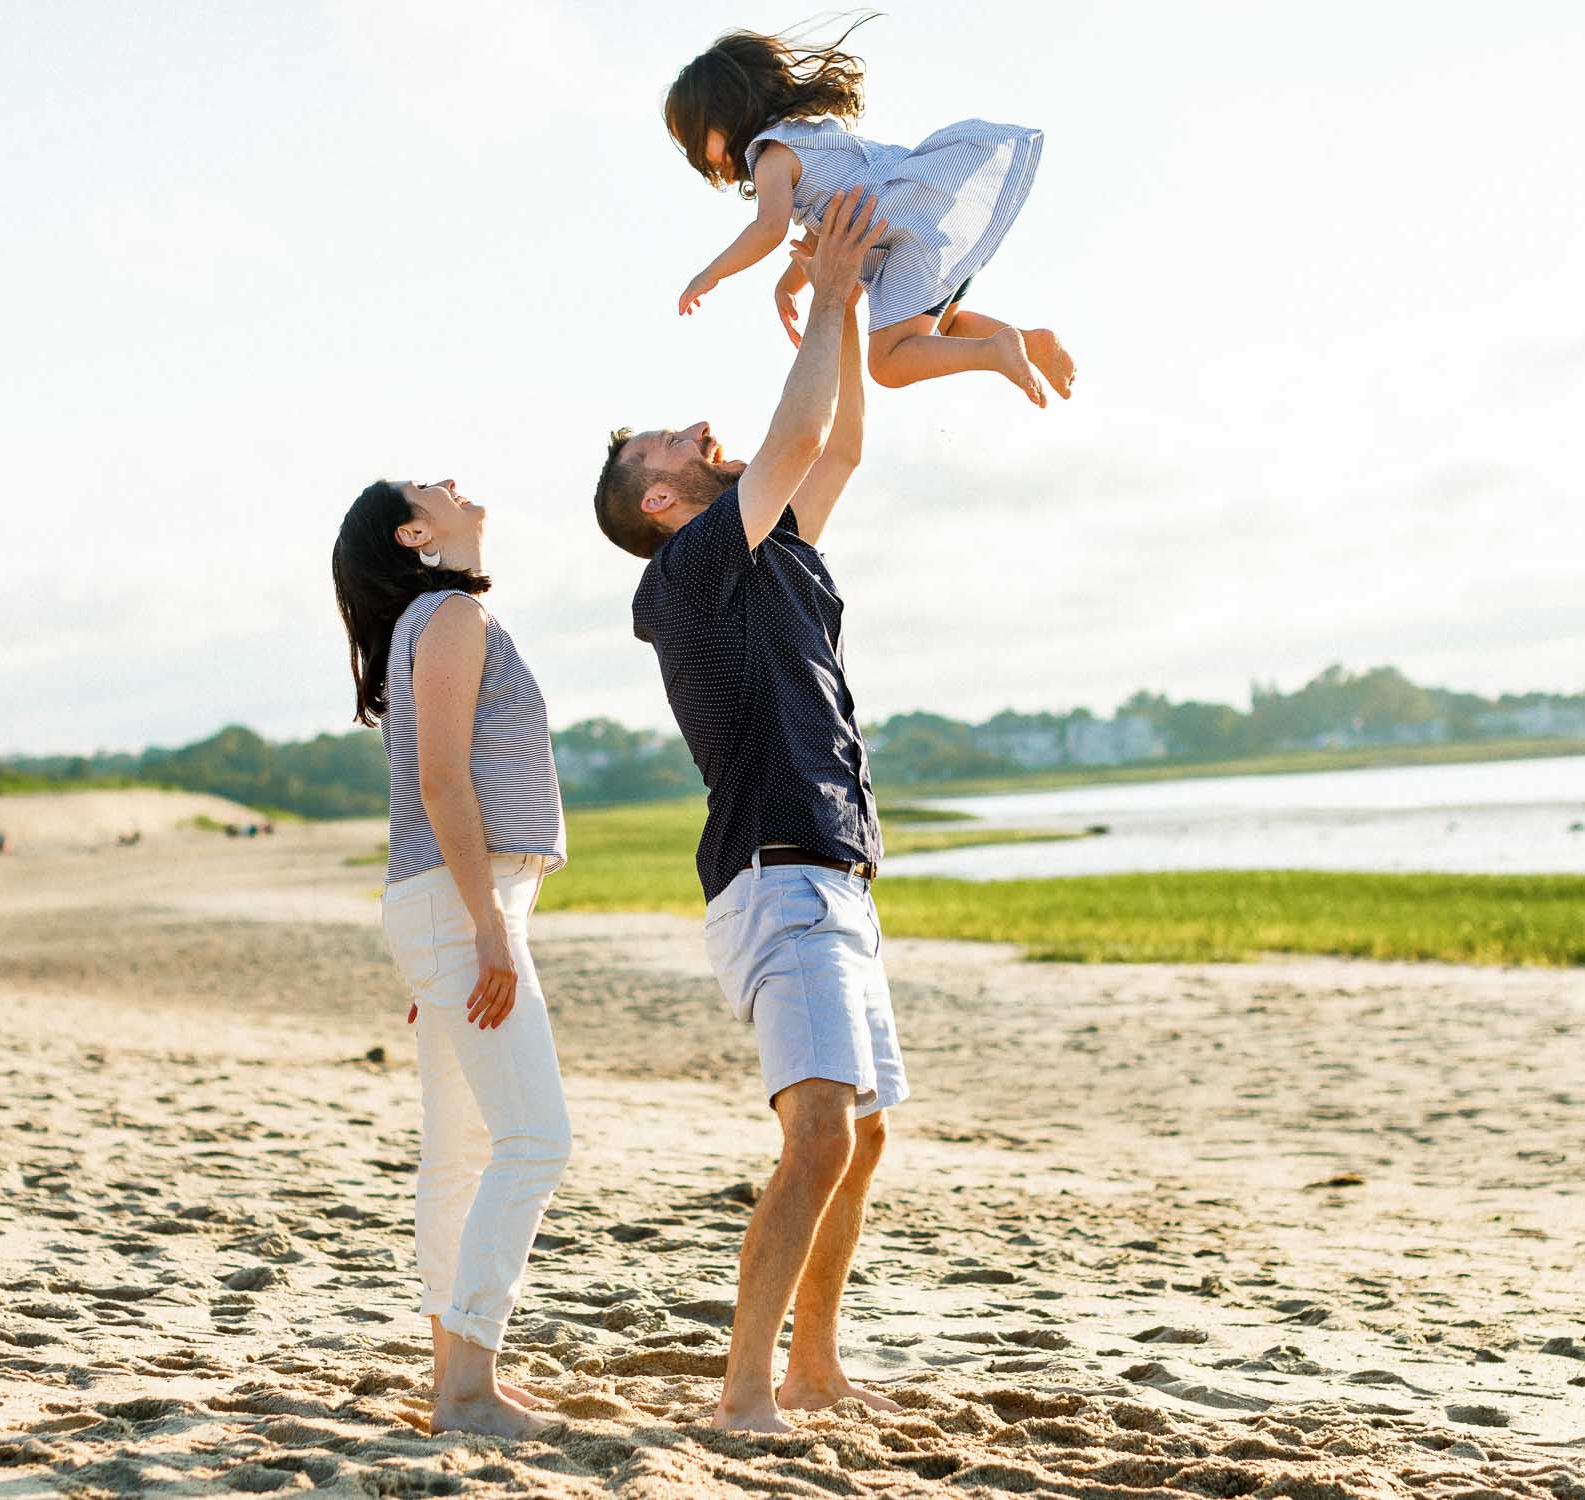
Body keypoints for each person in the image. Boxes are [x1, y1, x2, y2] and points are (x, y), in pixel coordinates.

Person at [589, 188, 906, 1433]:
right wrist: (822, 291)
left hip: (832, 869)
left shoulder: (769, 548)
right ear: (661, 504)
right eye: (670, 443)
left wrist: (855, 301)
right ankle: (743, 1396)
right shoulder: (684, 570)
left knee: (860, 1142)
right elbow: (787, 443)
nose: (696, 434)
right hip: (776, 874)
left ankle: (815, 1368)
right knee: (820, 1138)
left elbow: (835, 451)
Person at [332, 475, 571, 1439]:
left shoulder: (429, 622)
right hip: (461, 903)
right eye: (439, 487)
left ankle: (456, 1378)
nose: (463, 487)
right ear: (417, 532)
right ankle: (467, 1382)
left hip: (448, 905)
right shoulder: (452, 616)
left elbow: (436, 780)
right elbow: (439, 782)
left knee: (463, 1154)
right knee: (534, 1142)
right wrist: (481, 928)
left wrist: (457, 931)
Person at [665, 23, 1073, 407]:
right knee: (946, 327)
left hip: (905, 237)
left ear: (723, 113)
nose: (696, 156)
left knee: (889, 363)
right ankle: (1027, 342)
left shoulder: (771, 157)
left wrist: (711, 273)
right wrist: (789, 285)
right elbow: (825, 231)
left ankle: (996, 350)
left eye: (695, 139)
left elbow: (768, 229)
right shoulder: (806, 133)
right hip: (927, 217)